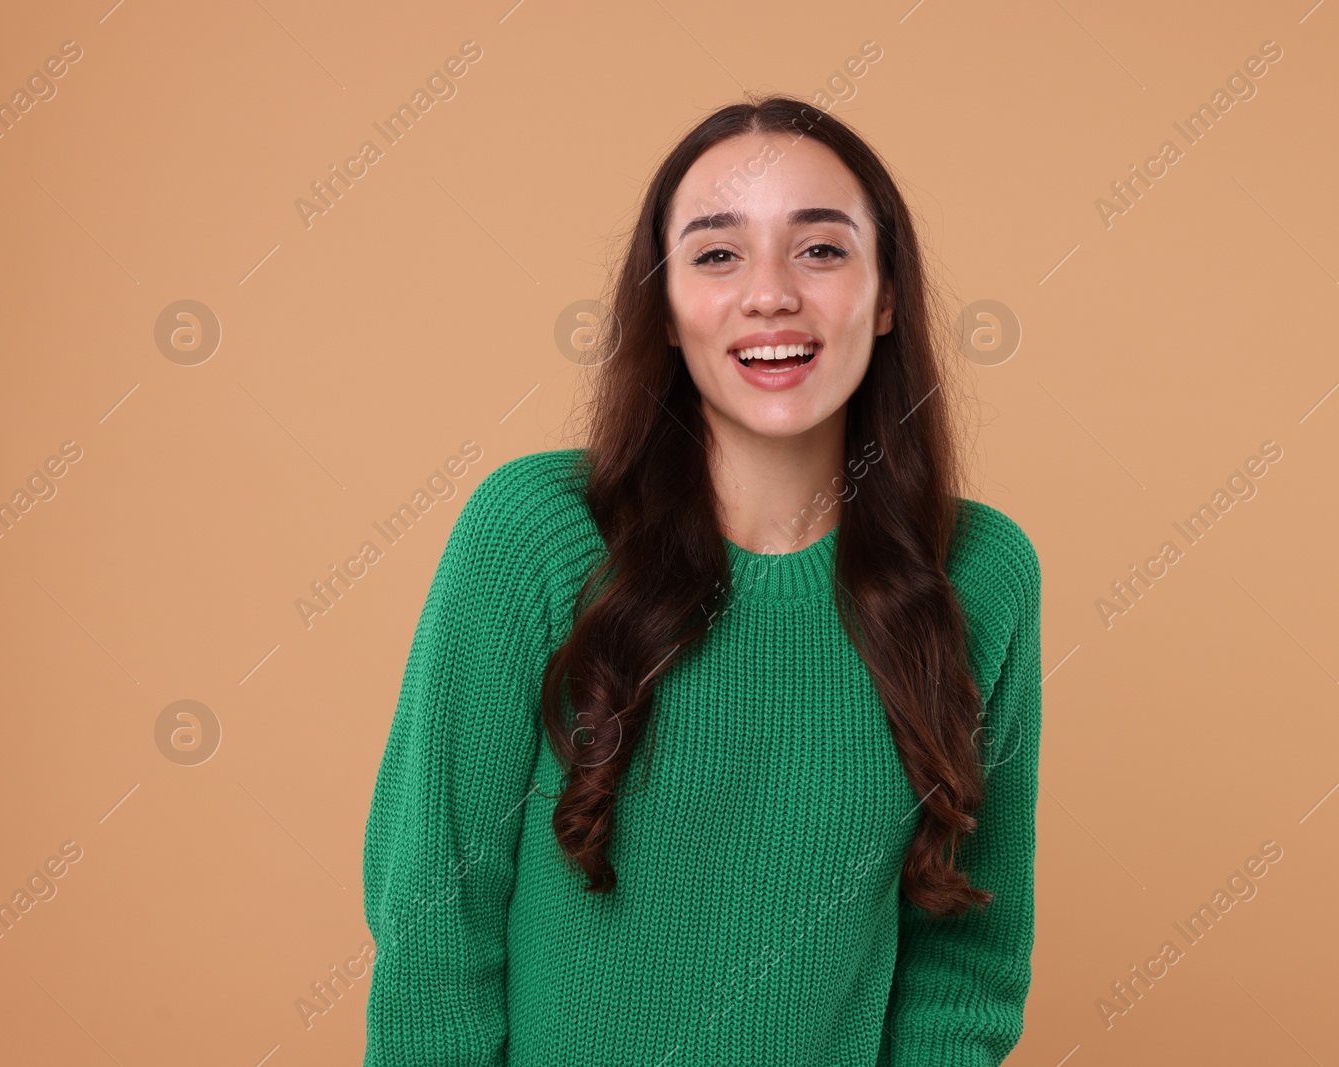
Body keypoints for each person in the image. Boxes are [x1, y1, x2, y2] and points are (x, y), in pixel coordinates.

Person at [361, 94, 1042, 1066]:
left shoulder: (980, 573)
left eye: (820, 249)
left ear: (886, 296)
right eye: (717, 254)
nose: (770, 294)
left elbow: (964, 961)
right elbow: (435, 914)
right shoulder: (535, 532)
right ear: (667, 311)